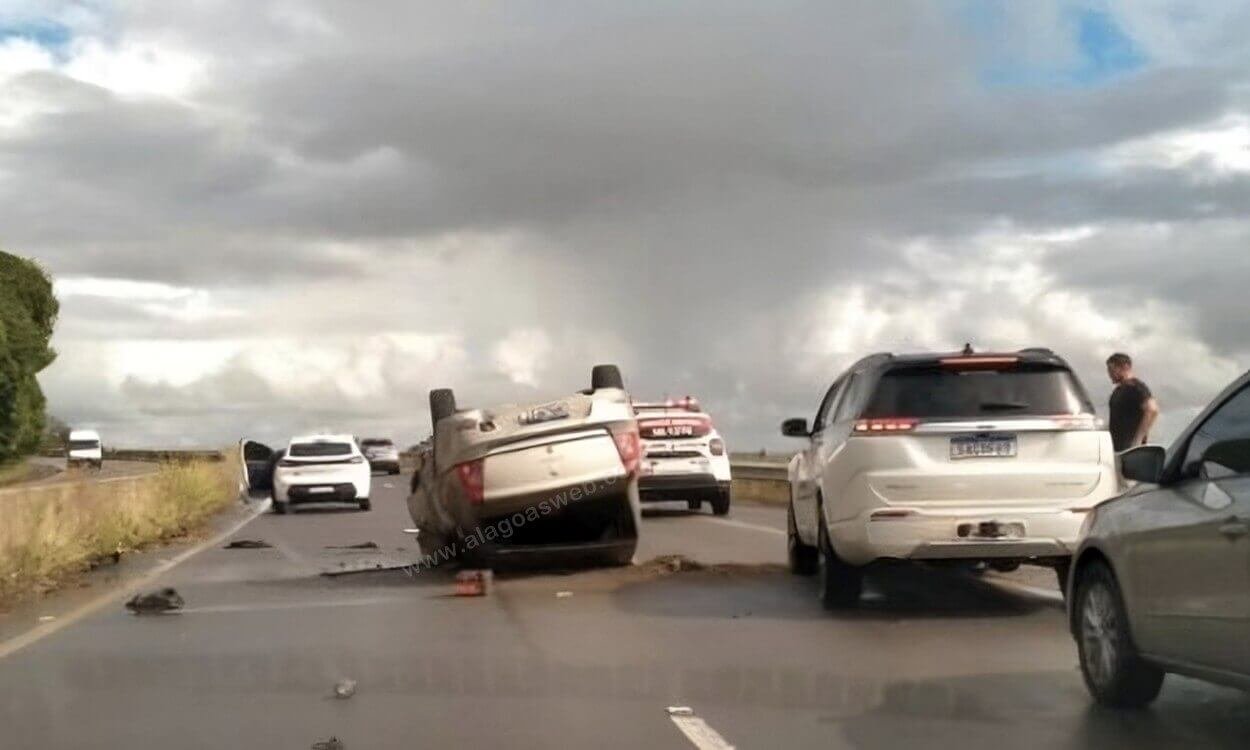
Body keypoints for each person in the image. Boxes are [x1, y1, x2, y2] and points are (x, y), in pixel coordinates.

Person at [1106, 353, 1159, 452]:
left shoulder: (1135, 386)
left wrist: (1137, 441)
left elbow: (1152, 409)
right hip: (1118, 450)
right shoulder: (1118, 391)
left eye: (1111, 369)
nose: (1109, 374)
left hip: (1131, 452)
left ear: (1125, 367)